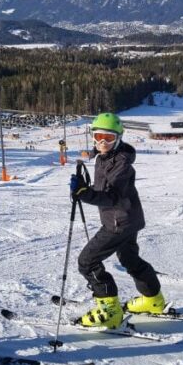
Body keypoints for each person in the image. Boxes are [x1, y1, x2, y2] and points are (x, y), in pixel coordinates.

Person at [69, 112, 164, 328]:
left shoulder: (121, 165)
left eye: (108, 138)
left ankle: (110, 310)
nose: (102, 142)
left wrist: (84, 193)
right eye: (98, 136)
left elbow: (110, 196)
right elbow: (102, 178)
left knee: (87, 261)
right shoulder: (108, 156)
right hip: (129, 219)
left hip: (118, 223)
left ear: (119, 138)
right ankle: (153, 299)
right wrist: (86, 180)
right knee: (130, 259)